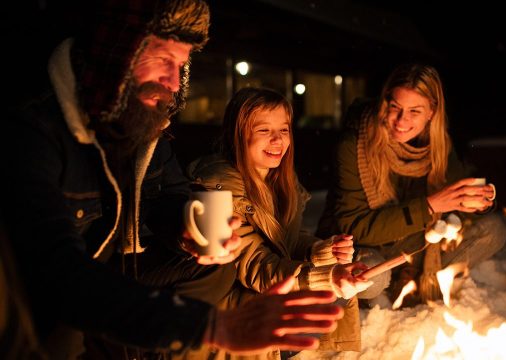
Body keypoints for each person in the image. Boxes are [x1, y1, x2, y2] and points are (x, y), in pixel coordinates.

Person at [0, 1, 344, 358]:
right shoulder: (34, 130)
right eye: (163, 59)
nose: (173, 81)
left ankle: (155, 346)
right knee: (63, 337)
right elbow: (55, 269)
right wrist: (209, 326)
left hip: (120, 266)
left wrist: (188, 226)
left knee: (215, 266)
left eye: (181, 65)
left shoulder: (142, 127)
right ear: (120, 53)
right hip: (42, 289)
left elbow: (170, 195)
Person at [187, 87, 373, 359]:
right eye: (264, 130)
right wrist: (325, 278)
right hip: (230, 309)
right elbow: (255, 264)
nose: (277, 140)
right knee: (327, 293)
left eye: (284, 130)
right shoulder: (216, 190)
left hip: (264, 291)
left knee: (339, 287)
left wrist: (320, 251)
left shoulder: (278, 180)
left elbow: (285, 239)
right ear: (238, 134)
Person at [316, 63, 506, 305]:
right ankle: (389, 291)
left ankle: (413, 282)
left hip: (412, 244)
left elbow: (455, 202)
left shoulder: (438, 146)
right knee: (372, 275)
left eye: (414, 111)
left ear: (431, 111)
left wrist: (478, 202)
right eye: (395, 107)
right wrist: (428, 206)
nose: (401, 120)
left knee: (493, 230)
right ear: (385, 102)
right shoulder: (354, 144)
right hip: (362, 247)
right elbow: (354, 226)